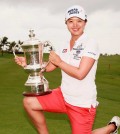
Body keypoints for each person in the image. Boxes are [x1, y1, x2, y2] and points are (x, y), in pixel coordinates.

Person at [15, 5, 120, 134]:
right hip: (63, 96)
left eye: (79, 21)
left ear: (85, 22)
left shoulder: (90, 43)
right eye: (71, 21)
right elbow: (49, 67)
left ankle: (112, 127)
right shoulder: (63, 44)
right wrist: (29, 62)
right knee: (29, 102)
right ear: (66, 23)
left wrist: (60, 62)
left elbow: (81, 73)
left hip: (82, 103)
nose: (75, 25)